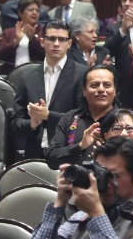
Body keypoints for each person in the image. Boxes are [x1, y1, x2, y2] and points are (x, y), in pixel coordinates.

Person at [9, 19, 88, 159]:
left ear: (69, 44)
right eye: (51, 38)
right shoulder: (27, 76)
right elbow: (15, 122)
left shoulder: (82, 74)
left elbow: (83, 120)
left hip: (67, 153)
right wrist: (32, 123)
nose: (56, 44)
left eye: (62, 39)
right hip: (34, 154)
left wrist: (48, 116)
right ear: (42, 42)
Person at [46, 66, 120, 167]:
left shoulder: (126, 120)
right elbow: (52, 159)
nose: (101, 89)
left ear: (115, 90)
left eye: (107, 85)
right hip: (73, 181)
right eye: (94, 85)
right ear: (84, 90)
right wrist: (80, 146)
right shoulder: (70, 118)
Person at [0, 0, 44, 70]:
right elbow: (0, 55)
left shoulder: (43, 32)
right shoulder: (9, 32)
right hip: (12, 74)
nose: (35, 12)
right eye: (31, 10)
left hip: (37, 74)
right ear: (20, 13)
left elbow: (47, 54)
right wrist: (15, 41)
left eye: (37, 10)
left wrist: (32, 40)